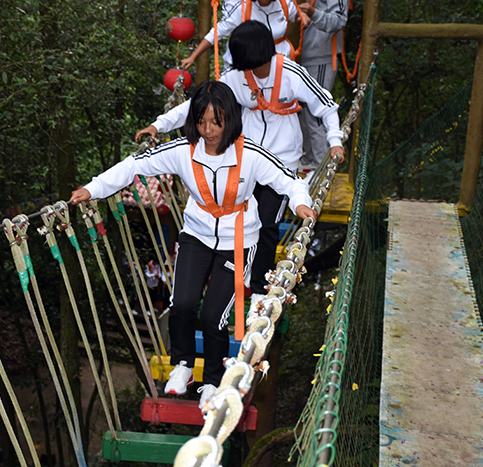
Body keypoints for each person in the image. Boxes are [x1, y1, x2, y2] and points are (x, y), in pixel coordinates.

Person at [71, 81, 316, 408]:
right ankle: (183, 365)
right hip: (196, 235)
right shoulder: (183, 151)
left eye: (216, 122)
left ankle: (212, 381)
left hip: (239, 240)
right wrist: (93, 189)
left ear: (231, 119)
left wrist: (301, 203)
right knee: (183, 304)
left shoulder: (251, 154)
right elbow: (134, 166)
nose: (208, 130)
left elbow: (289, 180)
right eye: (201, 122)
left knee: (214, 316)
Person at [136, 20, 344, 309]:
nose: (251, 72)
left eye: (254, 65)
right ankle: (224, 279)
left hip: (283, 160)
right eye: (245, 66)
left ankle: (258, 288)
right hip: (245, 158)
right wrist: (158, 126)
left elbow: (327, 105)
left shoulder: (292, 74)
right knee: (234, 217)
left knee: (268, 223)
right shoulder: (236, 78)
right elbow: (195, 106)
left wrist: (335, 140)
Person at [297, 0, 348, 173]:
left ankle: (320, 167)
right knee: (302, 112)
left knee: (316, 113)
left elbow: (339, 20)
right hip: (298, 55)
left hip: (319, 56)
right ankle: (310, 159)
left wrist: (313, 13)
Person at [182, 0, 306, 71]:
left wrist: (304, 17)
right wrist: (193, 57)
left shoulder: (284, 4)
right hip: (247, 63)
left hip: (280, 63)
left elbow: (298, 17)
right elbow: (217, 32)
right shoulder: (242, 8)